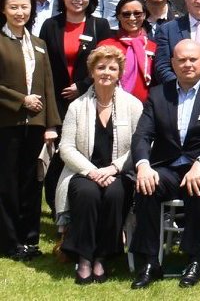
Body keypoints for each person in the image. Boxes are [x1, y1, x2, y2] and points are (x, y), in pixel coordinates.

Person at [129, 38, 200, 289]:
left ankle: (194, 258)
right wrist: (143, 165)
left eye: (193, 59)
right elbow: (143, 135)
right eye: (182, 60)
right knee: (146, 186)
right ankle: (151, 261)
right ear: (172, 63)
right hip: (167, 166)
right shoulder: (157, 94)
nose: (188, 64)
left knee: (196, 187)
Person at [55, 44, 143, 284]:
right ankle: (84, 257)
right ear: (91, 72)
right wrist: (93, 172)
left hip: (120, 173)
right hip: (83, 172)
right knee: (87, 194)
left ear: (119, 73)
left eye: (112, 68)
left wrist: (113, 169)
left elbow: (139, 147)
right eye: (100, 67)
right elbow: (66, 148)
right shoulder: (77, 106)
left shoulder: (134, 106)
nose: (106, 72)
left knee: (115, 194)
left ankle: (102, 257)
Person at [0, 0, 59, 262]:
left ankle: (30, 239)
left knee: (32, 182)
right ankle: (10, 241)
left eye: (24, 7)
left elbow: (48, 86)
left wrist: (50, 124)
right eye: (14, 7)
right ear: (4, 10)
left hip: (35, 125)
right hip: (7, 123)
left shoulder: (38, 44)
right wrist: (21, 100)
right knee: (7, 184)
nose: (19, 12)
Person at [38, 0, 114, 118]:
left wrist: (83, 85)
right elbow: (41, 62)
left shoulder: (100, 25)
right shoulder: (50, 25)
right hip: (56, 99)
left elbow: (108, 62)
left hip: (90, 96)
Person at [99, 0, 156, 103]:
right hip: (111, 104)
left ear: (144, 15)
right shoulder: (105, 46)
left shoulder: (153, 47)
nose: (132, 18)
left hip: (146, 107)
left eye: (137, 13)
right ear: (119, 16)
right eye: (126, 14)